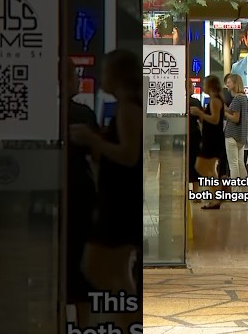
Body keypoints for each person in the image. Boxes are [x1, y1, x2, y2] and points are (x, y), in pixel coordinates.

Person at [69, 49, 142, 332]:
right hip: (118, 199)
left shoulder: (128, 108)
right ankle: (127, 321)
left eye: (106, 72)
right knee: (110, 268)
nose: (101, 78)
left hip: (120, 203)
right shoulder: (126, 107)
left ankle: (129, 320)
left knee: (98, 265)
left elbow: (129, 154)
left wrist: (93, 140)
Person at [66, 59, 100, 327]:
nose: (78, 78)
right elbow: (97, 156)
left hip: (57, 195)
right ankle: (84, 324)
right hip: (80, 193)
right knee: (82, 263)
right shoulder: (83, 114)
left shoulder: (44, 111)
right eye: (73, 74)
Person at [190, 75, 226, 210]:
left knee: (202, 167)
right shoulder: (215, 100)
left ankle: (216, 196)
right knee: (206, 168)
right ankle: (216, 196)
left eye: (205, 84)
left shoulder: (215, 100)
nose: (203, 87)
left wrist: (200, 113)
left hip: (213, 140)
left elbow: (215, 120)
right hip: (210, 138)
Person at [223, 74, 248, 187]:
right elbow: (234, 112)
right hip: (241, 136)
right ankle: (243, 189)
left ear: (234, 83)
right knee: (240, 162)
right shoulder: (243, 97)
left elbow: (235, 118)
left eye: (229, 82)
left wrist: (223, 113)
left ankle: (235, 191)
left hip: (232, 134)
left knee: (233, 164)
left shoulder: (237, 99)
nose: (227, 85)